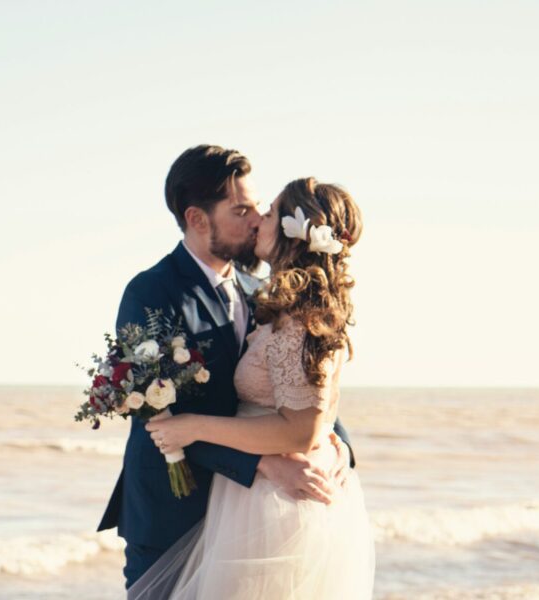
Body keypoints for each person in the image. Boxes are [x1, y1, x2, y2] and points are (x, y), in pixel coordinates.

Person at [96, 145, 356, 590]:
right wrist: (264, 465)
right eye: (241, 211)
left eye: (258, 208)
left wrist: (337, 449)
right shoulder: (152, 292)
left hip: (249, 520)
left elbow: (297, 383)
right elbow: (160, 421)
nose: (257, 219)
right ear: (198, 219)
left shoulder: (267, 290)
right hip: (172, 512)